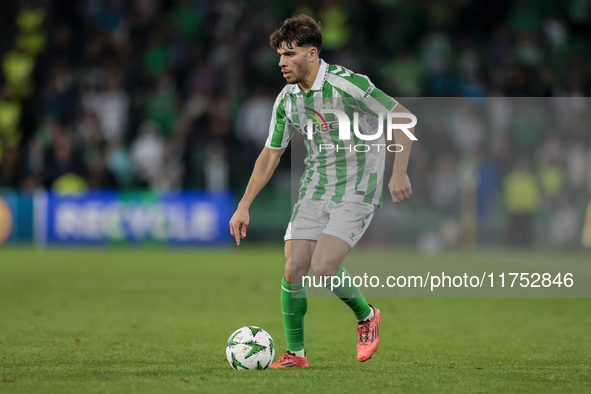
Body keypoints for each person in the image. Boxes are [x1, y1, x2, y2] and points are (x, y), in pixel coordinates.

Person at [229, 14, 415, 368]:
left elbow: (402, 117)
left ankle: (367, 316)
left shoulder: (348, 85)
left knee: (323, 267)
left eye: (290, 54)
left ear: (312, 54)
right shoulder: (287, 101)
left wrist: (399, 171)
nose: (282, 63)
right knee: (293, 267)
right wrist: (244, 205)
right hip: (316, 188)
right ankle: (296, 355)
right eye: (279, 56)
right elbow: (271, 153)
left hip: (358, 188)